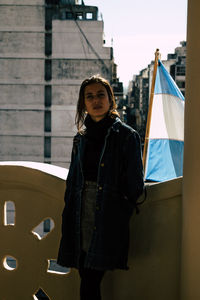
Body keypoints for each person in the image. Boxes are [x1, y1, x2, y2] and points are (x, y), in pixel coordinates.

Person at [57, 75, 144, 300]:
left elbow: (135, 185)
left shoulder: (126, 136)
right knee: (86, 275)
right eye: (90, 96)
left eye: (100, 95)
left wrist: (117, 209)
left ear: (110, 99)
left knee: (91, 279)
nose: (96, 101)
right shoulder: (81, 138)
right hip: (79, 213)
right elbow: (72, 180)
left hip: (106, 215)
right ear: (83, 103)